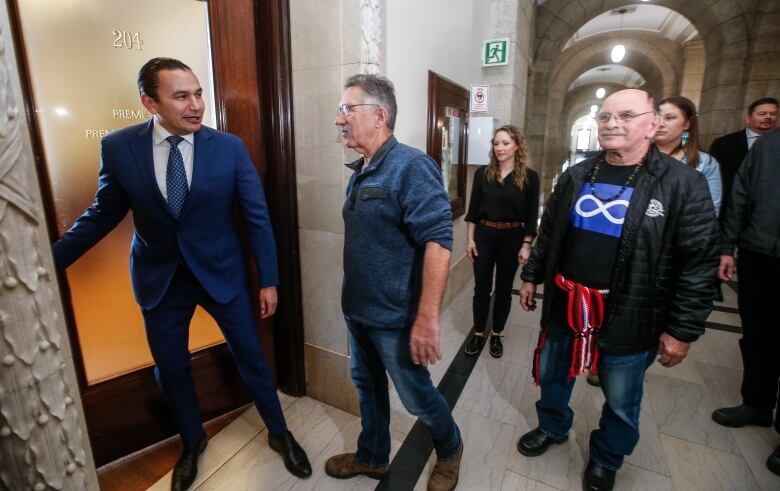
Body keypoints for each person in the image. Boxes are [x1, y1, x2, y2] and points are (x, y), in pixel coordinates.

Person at [52, 58, 311, 491]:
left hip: (220, 274)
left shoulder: (228, 148)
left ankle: (280, 433)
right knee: (170, 369)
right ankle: (192, 442)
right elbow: (102, 215)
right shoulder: (119, 148)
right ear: (149, 102)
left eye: (198, 93)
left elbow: (256, 217)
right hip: (160, 279)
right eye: (181, 96)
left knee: (251, 357)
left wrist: (269, 279)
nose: (196, 105)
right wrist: (48, 264)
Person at [517, 89, 719, 491]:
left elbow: (698, 264)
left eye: (626, 115)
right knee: (554, 376)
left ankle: (607, 458)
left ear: (653, 124)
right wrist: (531, 276)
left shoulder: (683, 184)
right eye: (606, 116)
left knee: (622, 399)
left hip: (632, 312)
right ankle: (553, 427)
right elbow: (550, 234)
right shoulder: (577, 175)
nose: (612, 123)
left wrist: (681, 331)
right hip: (567, 304)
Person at [325, 74, 462, 491]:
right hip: (359, 309)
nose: (339, 119)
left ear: (379, 114)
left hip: (396, 317)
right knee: (367, 388)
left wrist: (426, 320)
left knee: (415, 395)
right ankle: (373, 457)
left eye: (348, 109)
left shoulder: (411, 166)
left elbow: (438, 241)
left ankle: (451, 448)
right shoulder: (362, 168)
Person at [712, 127, 780, 477]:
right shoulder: (769, 144)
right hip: (761, 251)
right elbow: (740, 195)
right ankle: (756, 403)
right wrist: (728, 246)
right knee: (756, 335)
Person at [463, 125, 539, 359]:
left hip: (512, 237)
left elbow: (531, 213)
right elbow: (473, 211)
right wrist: (470, 240)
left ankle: (496, 333)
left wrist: (526, 244)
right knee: (481, 288)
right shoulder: (482, 174)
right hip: (484, 236)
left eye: (505, 143)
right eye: (496, 143)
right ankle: (478, 332)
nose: (500, 148)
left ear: (517, 145)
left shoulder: (529, 177)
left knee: (504, 289)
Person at [709, 97, 778, 213]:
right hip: (729, 208)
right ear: (748, 118)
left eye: (773, 114)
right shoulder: (723, 144)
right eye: (762, 114)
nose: (768, 117)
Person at [655, 96, 722, 215]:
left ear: (686, 124)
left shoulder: (705, 162)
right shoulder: (636, 155)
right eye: (657, 117)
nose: (660, 123)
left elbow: (709, 211)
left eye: (670, 118)